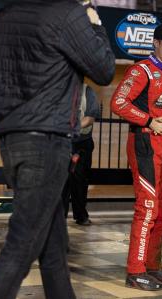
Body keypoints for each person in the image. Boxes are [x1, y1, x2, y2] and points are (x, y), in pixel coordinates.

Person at [0, 1, 115, 298]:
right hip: (48, 142)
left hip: (11, 142)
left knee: (52, 251)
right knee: (21, 245)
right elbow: (104, 70)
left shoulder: (4, 17)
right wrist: (95, 21)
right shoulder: (69, 14)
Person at [110, 23, 162, 291]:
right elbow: (117, 103)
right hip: (144, 143)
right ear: (155, 43)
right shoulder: (140, 70)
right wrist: (149, 121)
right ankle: (135, 270)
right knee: (148, 208)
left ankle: (153, 266)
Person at [62, 84, 100, 226]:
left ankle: (81, 215)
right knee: (61, 182)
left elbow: (90, 118)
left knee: (79, 181)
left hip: (81, 143)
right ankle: (59, 217)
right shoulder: (56, 87)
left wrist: (70, 128)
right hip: (60, 143)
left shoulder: (87, 91)